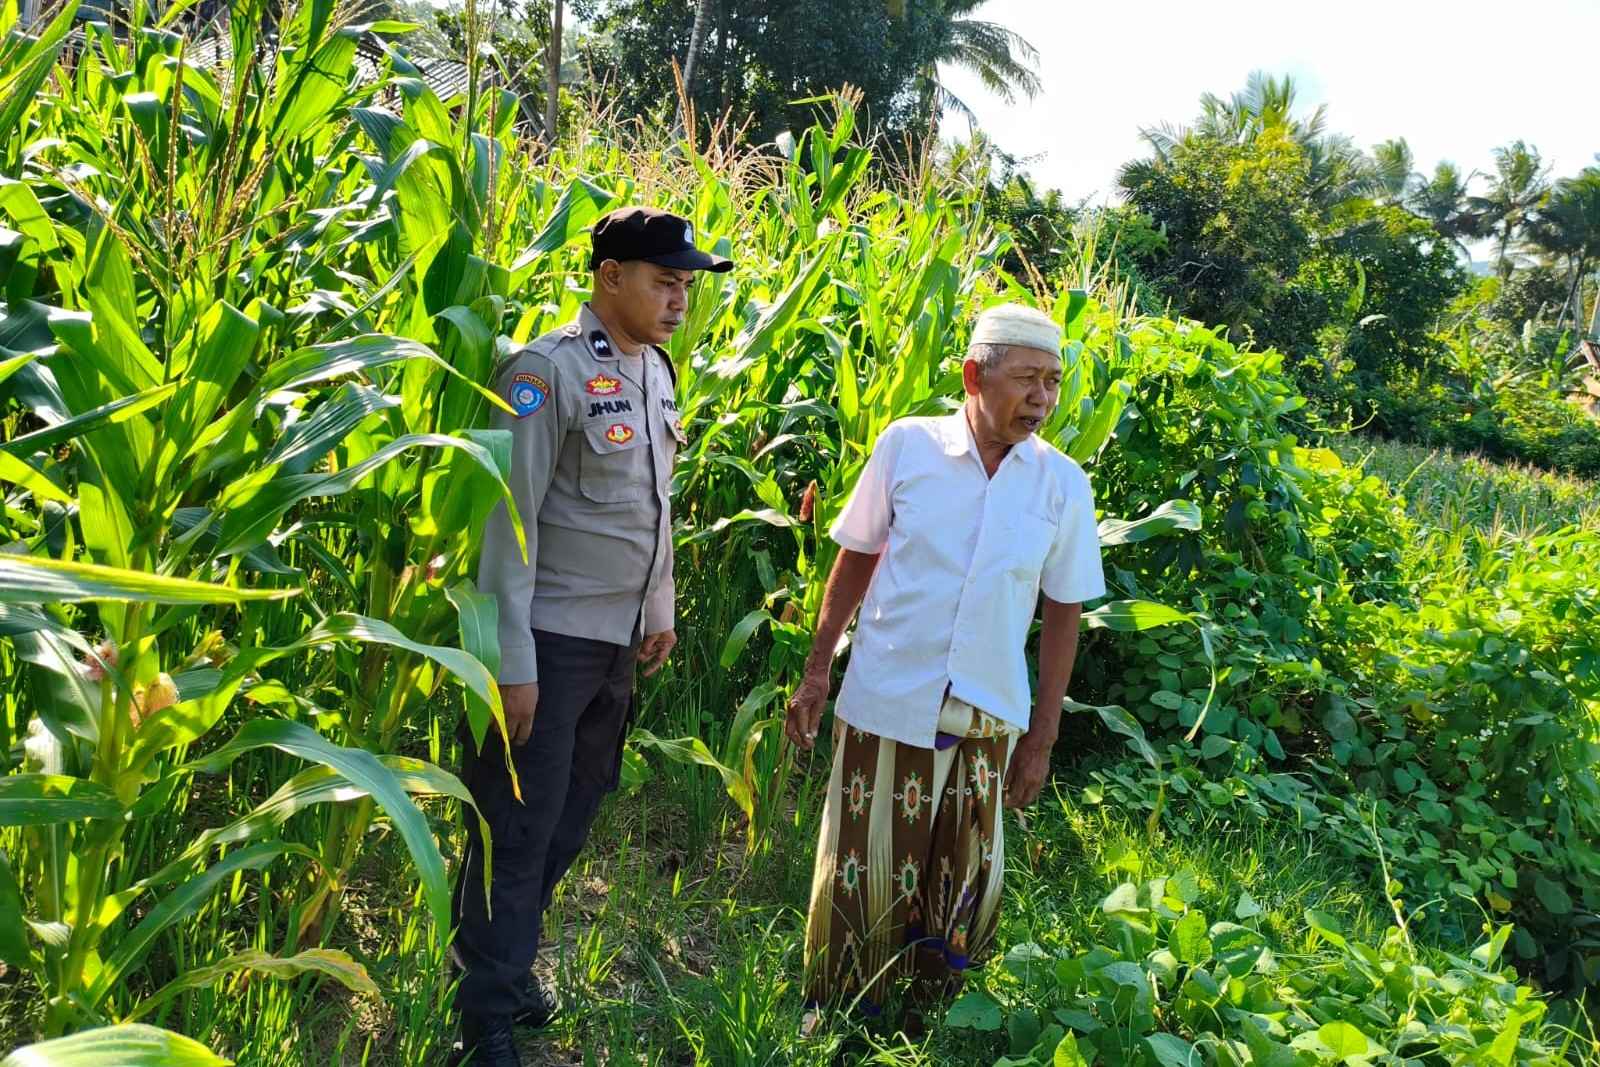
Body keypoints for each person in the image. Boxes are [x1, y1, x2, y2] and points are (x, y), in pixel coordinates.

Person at [453, 207, 732, 1067]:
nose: (679, 298)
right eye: (663, 280)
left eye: (686, 284)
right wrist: (511, 665)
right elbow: (508, 525)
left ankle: (496, 965)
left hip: (615, 643)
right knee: (518, 829)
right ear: (610, 275)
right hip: (548, 642)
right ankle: (485, 1020)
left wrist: (659, 606)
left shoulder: (656, 371)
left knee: (571, 819)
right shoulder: (544, 373)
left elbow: (655, 505)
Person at [785, 302, 1106, 1023]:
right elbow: (857, 554)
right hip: (888, 695)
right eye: (1026, 379)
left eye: (1052, 382)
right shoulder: (909, 447)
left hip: (990, 709)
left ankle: (932, 1015)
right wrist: (816, 667)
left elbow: (1063, 610)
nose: (1042, 399)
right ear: (972, 374)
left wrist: (1043, 734)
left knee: (964, 874)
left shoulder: (1062, 484)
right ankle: (837, 1008)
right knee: (863, 868)